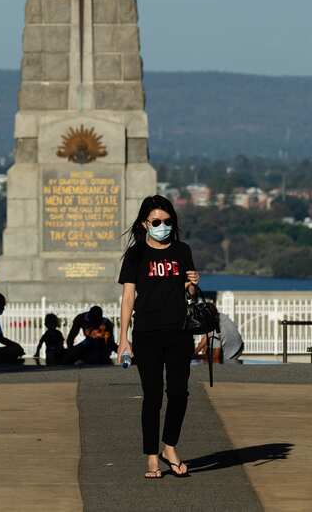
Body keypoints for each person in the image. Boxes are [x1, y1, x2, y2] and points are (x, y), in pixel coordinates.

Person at [118, 194, 200, 479]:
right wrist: (123, 338)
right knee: (152, 396)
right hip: (147, 333)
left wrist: (192, 284)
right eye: (156, 222)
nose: (162, 226)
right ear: (145, 223)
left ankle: (170, 447)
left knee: (178, 393)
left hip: (179, 332)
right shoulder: (136, 254)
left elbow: (189, 293)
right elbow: (128, 297)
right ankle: (152, 456)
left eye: (167, 221)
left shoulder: (182, 250)